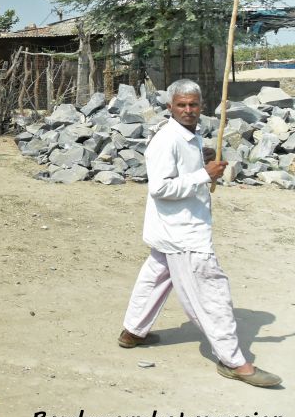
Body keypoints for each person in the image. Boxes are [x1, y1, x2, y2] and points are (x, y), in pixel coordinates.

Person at [118, 79, 281, 387]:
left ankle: (132, 332)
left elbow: (180, 174)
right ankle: (235, 362)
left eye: (193, 104)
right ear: (170, 107)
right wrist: (202, 175)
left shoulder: (190, 136)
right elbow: (161, 188)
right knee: (211, 293)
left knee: (154, 278)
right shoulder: (167, 139)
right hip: (183, 233)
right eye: (182, 105)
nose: (188, 110)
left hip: (173, 230)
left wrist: (200, 163)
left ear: (201, 106)